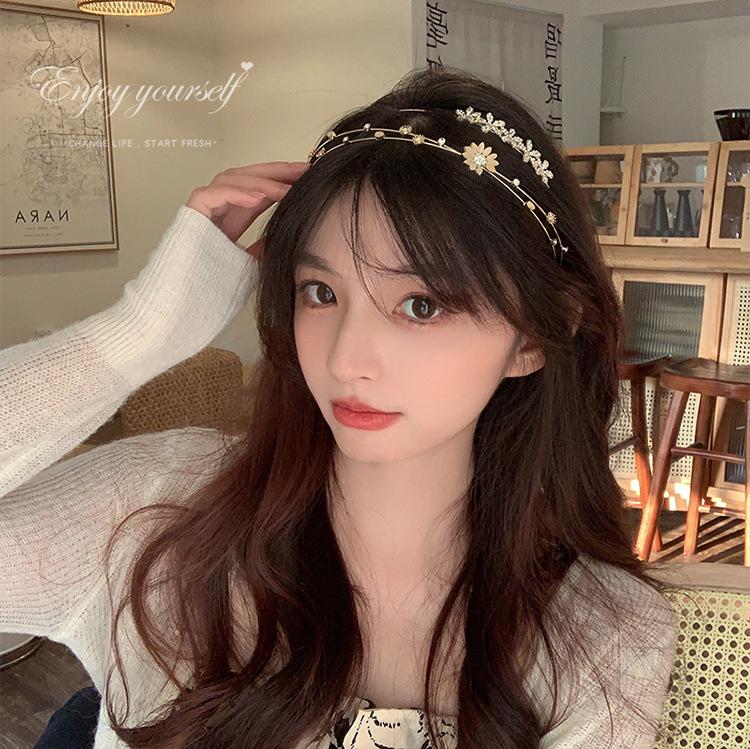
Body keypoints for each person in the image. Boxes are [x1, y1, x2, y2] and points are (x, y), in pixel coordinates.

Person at [1, 66, 679, 749]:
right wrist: (141, 331)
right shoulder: (156, 510)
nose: (347, 357)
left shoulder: (605, 638)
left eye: (421, 305)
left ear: (531, 337)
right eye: (321, 293)